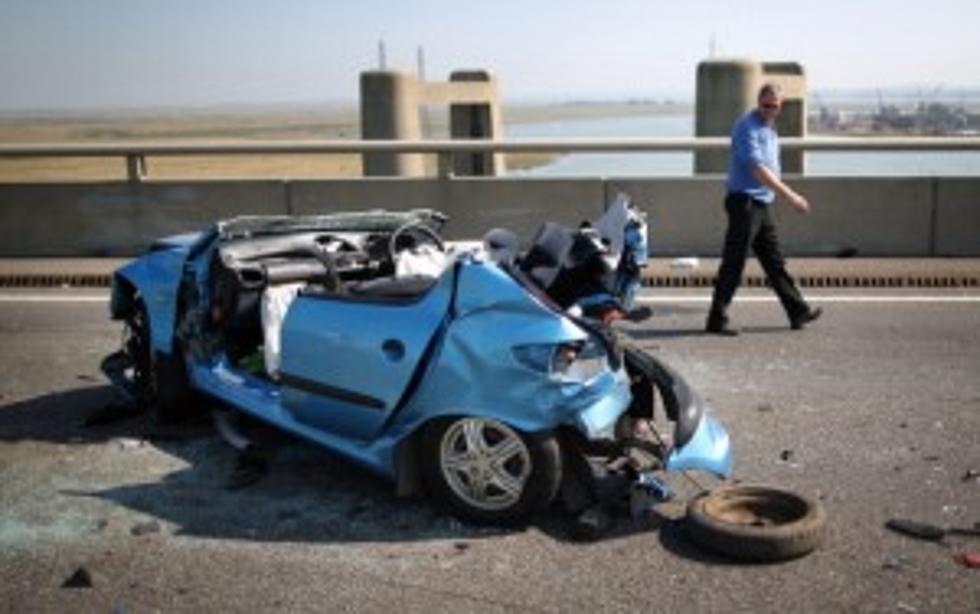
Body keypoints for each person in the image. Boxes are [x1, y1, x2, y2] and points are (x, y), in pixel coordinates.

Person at [706, 83, 822, 336]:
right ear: (758, 102)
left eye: (775, 105)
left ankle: (797, 311)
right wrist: (791, 196)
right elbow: (758, 170)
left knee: (774, 262)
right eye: (765, 105)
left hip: (761, 203)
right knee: (734, 263)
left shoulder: (769, 128)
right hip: (744, 202)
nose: (770, 109)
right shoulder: (746, 126)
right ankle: (716, 319)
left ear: (781, 105)